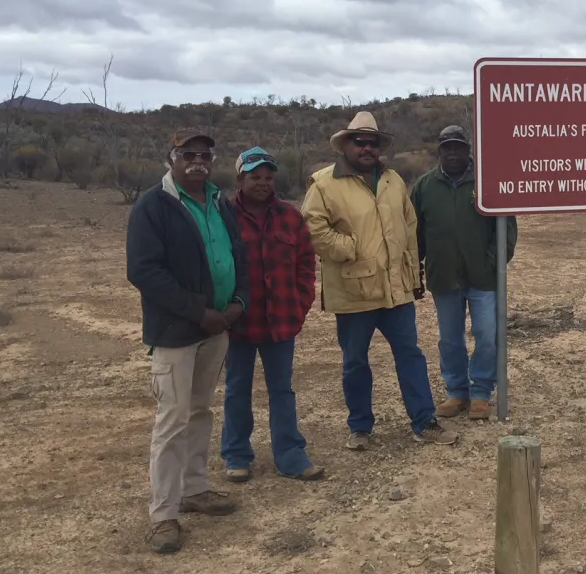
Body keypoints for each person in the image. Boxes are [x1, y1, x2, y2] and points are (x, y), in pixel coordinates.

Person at [300, 111, 459, 449]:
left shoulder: (394, 180)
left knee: (410, 354)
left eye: (373, 143)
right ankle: (360, 428)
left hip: (396, 291)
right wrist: (350, 247)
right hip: (354, 289)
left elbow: (410, 226)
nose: (368, 148)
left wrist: (413, 272)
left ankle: (424, 421)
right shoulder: (324, 184)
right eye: (361, 142)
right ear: (347, 145)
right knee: (355, 360)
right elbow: (312, 229)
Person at [126, 128, 248, 554]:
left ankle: (195, 490)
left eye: (204, 153)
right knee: (172, 420)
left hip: (217, 327)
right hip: (178, 332)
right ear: (171, 157)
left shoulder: (218, 202)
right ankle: (163, 515)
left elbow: (237, 254)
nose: (197, 159)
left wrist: (238, 301)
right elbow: (144, 272)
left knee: (200, 412)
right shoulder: (153, 206)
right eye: (187, 153)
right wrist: (200, 312)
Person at [220, 147, 324, 483]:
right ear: (240, 178)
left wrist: (300, 303)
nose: (262, 183)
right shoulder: (223, 216)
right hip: (237, 323)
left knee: (282, 390)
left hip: (281, 320)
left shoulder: (290, 217)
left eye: (268, 177)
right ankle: (236, 455)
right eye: (255, 177)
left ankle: (291, 456)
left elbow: (306, 265)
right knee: (237, 388)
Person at [410, 125, 517, 420]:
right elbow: (414, 233)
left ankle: (481, 392)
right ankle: (457, 392)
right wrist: (414, 268)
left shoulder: (488, 181)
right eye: (447, 148)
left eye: (459, 147)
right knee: (450, 338)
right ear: (439, 151)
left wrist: (493, 263)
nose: (453, 153)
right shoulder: (424, 187)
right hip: (443, 277)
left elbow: (506, 228)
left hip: (483, 278)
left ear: (469, 151)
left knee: (486, 334)